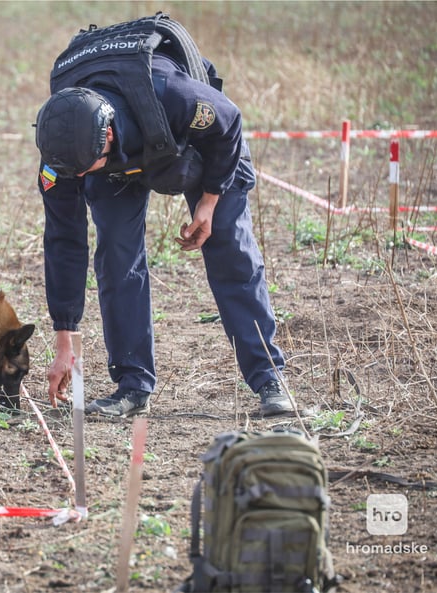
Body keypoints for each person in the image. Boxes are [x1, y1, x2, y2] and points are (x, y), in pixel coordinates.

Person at [33, 20, 294, 419]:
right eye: (76, 173)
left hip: (196, 144)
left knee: (228, 248)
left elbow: (229, 123)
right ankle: (132, 386)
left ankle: (269, 379)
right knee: (116, 257)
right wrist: (64, 340)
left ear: (106, 138)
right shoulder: (65, 151)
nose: (80, 179)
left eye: (88, 168)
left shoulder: (173, 94)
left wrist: (207, 203)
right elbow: (63, 241)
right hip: (121, 162)